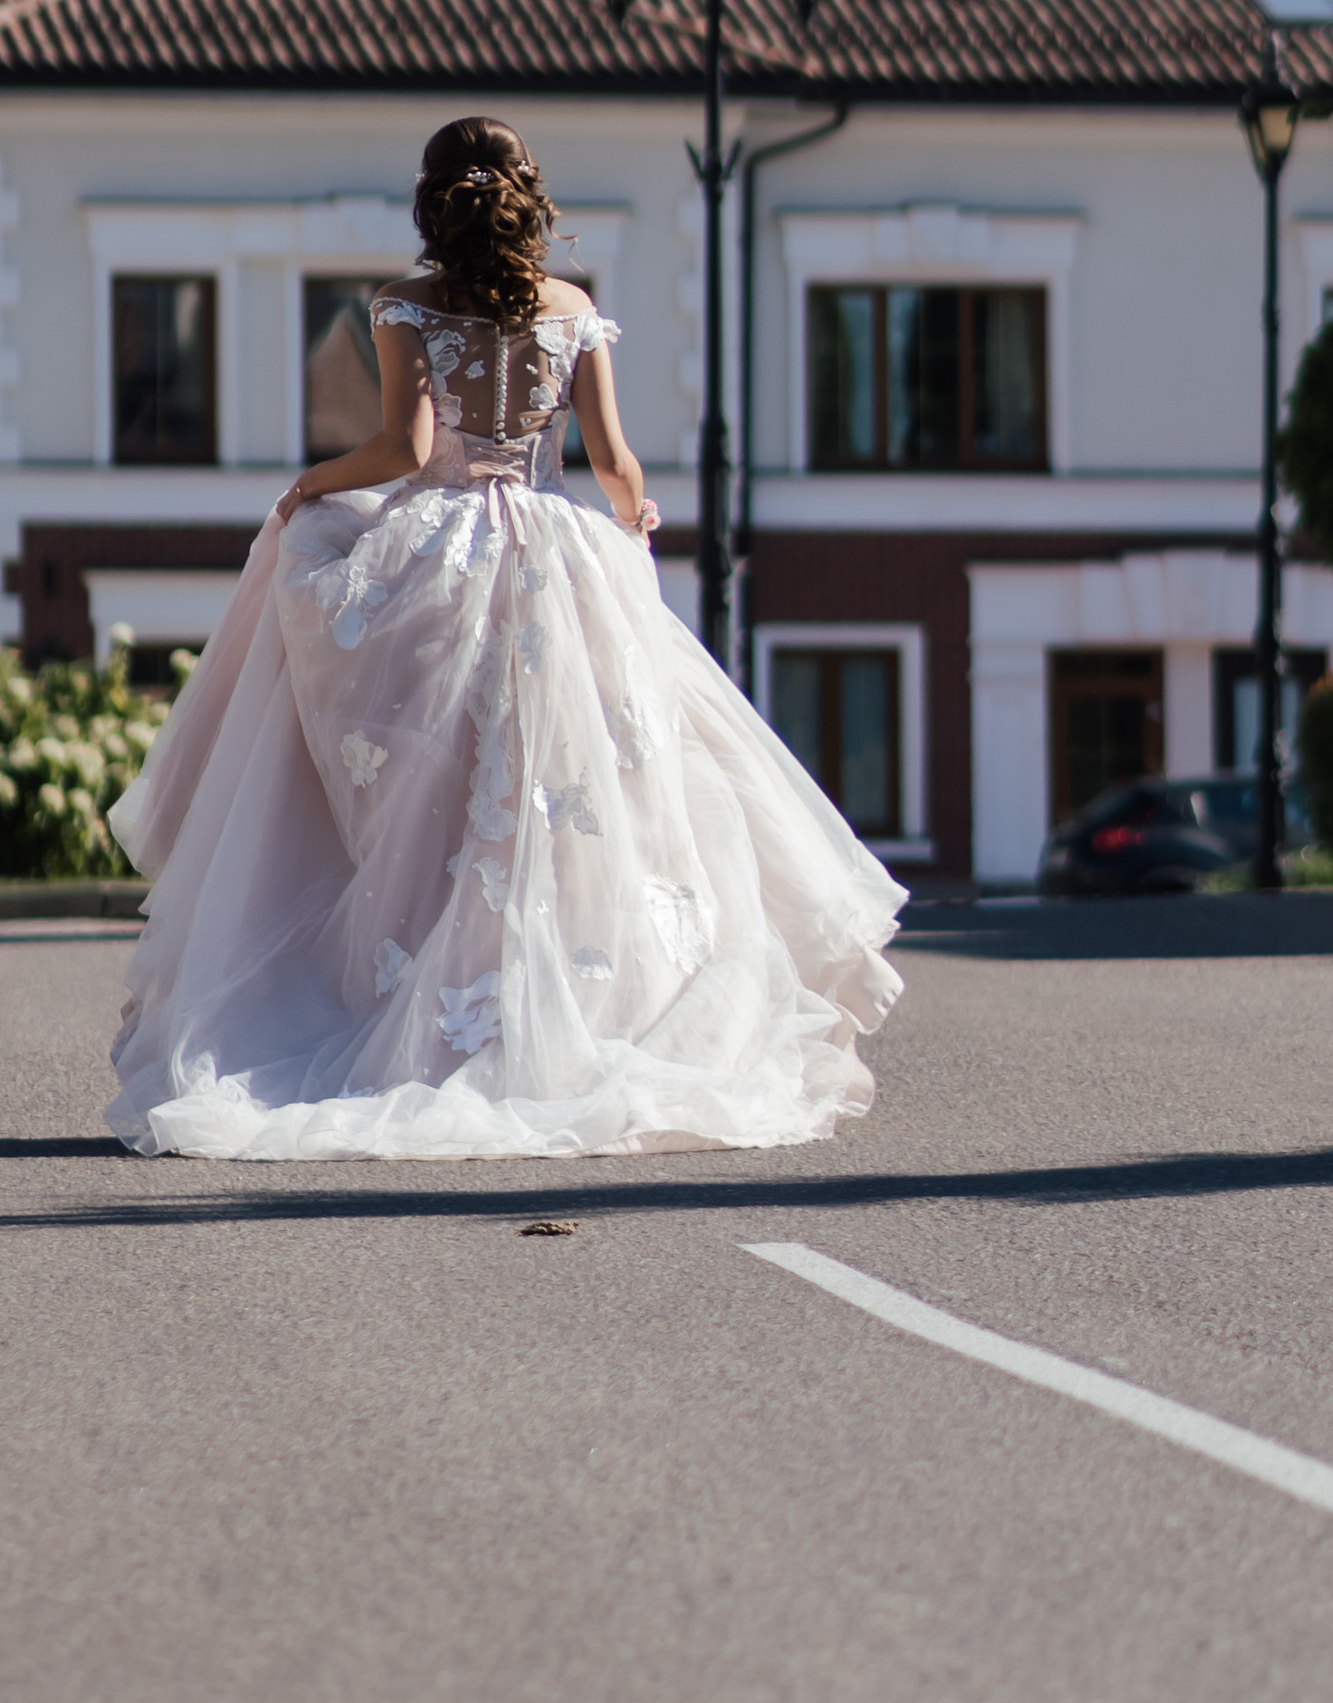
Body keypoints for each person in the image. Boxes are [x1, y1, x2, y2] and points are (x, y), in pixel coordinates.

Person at [105, 115, 905, 1160]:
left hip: (444, 554)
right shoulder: (571, 311)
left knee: (439, 787)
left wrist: (311, 485)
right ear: (529, 197)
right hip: (559, 561)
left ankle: (427, 998)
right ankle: (570, 1010)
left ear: (433, 200)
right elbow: (614, 464)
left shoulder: (405, 304)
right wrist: (638, 514)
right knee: (570, 789)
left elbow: (405, 446)